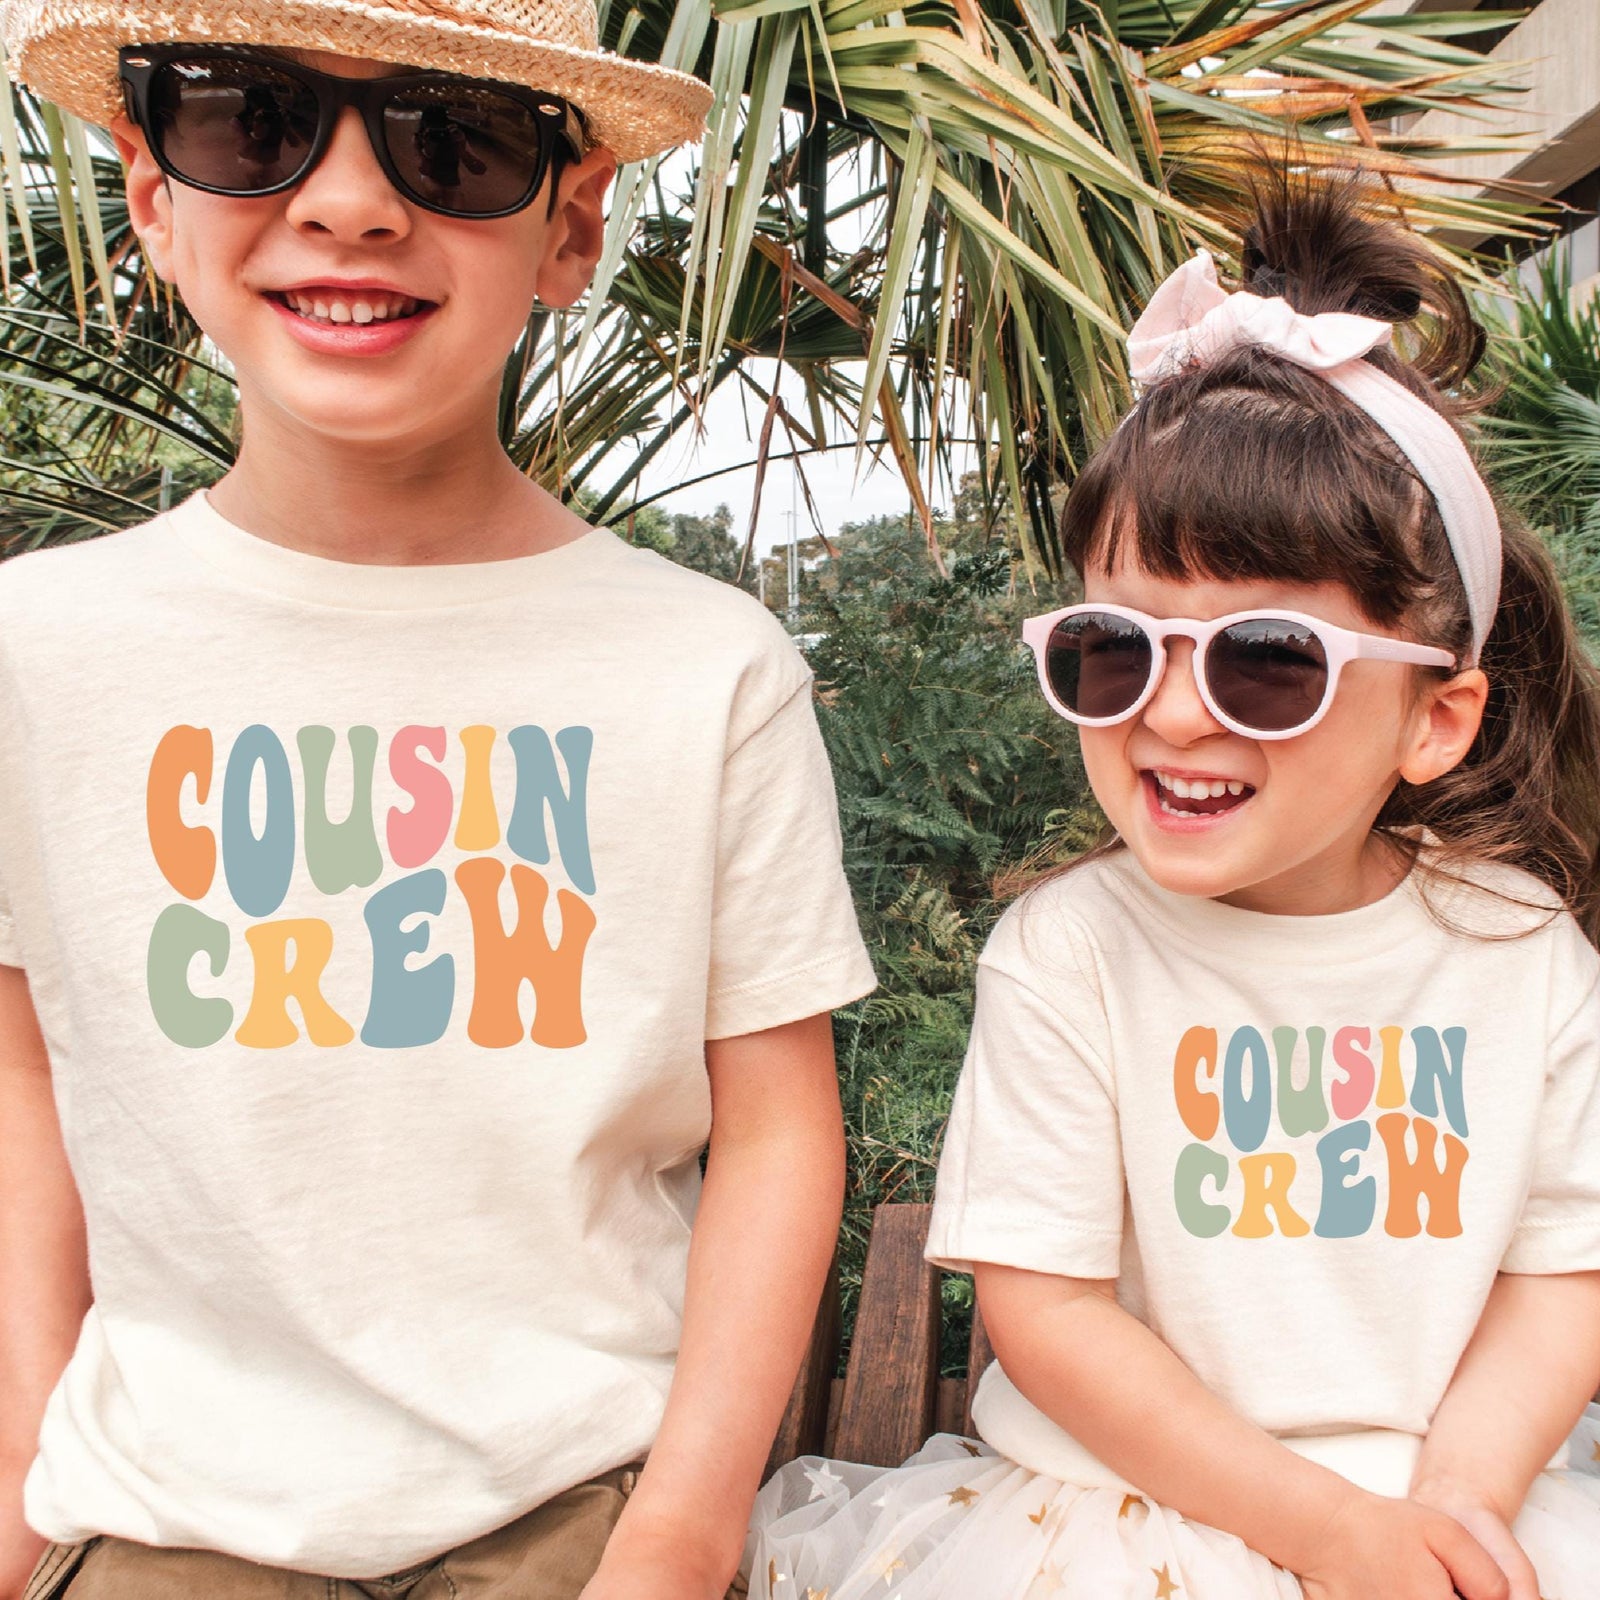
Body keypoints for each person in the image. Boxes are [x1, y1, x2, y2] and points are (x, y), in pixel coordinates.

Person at [0, 4, 878, 1599]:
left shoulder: (706, 666)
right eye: (247, 122)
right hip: (155, 1523)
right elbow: (23, 1088)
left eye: (450, 141)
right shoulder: (34, 653)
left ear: (574, 225)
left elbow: (776, 1131)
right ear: (148, 194)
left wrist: (677, 1536)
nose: (348, 201)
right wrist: (17, 1486)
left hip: (585, 1516)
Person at [745, 174, 1600, 1600]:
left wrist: (1450, 1505)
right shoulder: (1071, 951)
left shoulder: (1519, 949)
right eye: (1113, 650)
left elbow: (1560, 1276)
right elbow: (1049, 1309)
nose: (1177, 716)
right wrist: (1324, 1533)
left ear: (1434, 720)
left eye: (1268, 662)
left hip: (1456, 1505)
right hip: (1122, 1520)